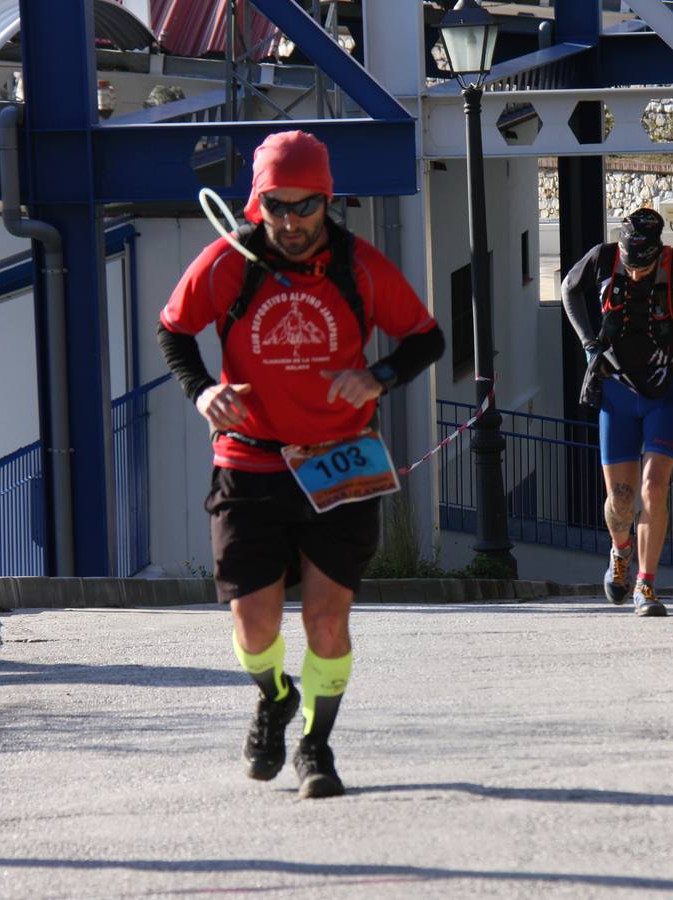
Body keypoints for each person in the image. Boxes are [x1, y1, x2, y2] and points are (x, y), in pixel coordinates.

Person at [157, 130, 444, 798]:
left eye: (304, 206)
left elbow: (427, 340)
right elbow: (175, 329)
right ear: (257, 202)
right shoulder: (228, 262)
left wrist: (378, 377)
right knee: (254, 626)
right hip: (249, 462)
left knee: (326, 619)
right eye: (276, 206)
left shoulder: (361, 266)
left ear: (328, 199)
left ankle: (316, 747)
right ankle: (274, 695)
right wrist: (203, 391)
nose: (289, 222)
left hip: (338, 462)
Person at [561, 208, 673, 617]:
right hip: (617, 392)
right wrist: (589, 342)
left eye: (645, 266)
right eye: (631, 265)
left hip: (664, 391)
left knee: (655, 487)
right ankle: (620, 553)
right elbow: (568, 288)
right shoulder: (602, 258)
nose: (636, 274)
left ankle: (646, 586)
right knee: (620, 499)